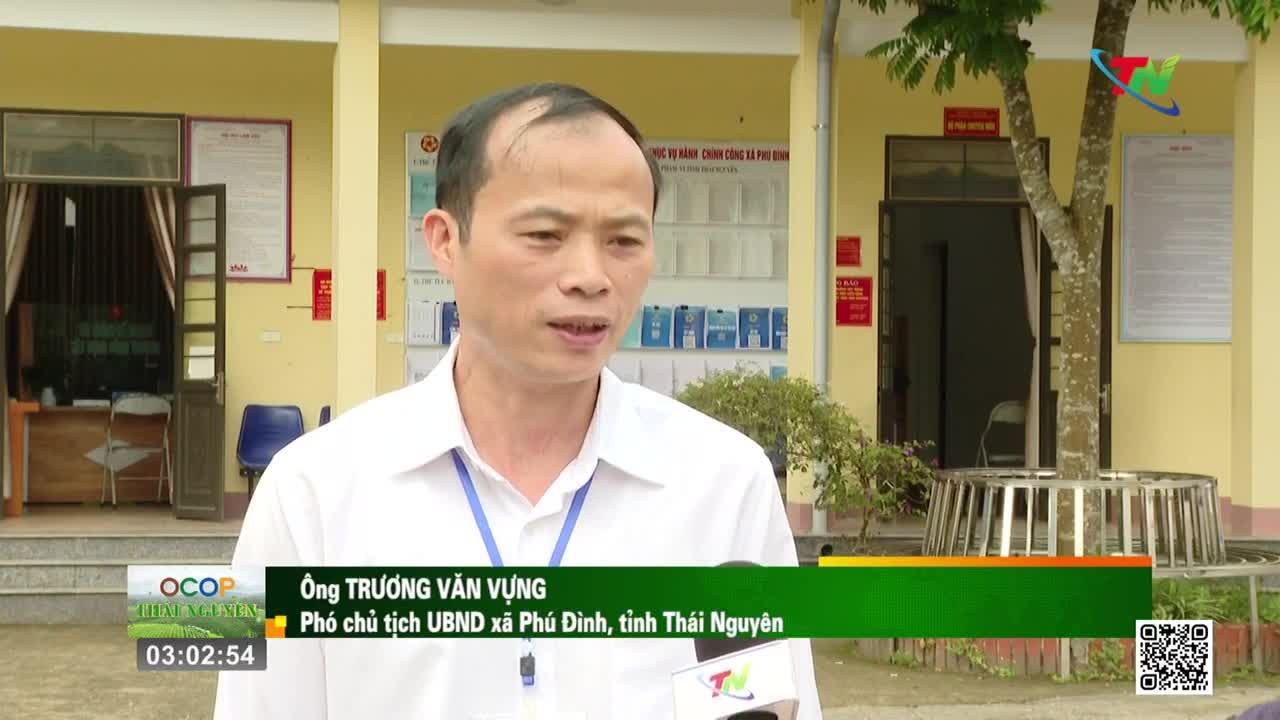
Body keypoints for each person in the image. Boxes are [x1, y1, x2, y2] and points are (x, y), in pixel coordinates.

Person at [213, 82, 823, 720]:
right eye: (543, 235)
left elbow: (766, 704)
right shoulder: (308, 491)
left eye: (623, 241)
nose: (590, 276)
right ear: (446, 241)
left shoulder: (725, 484)